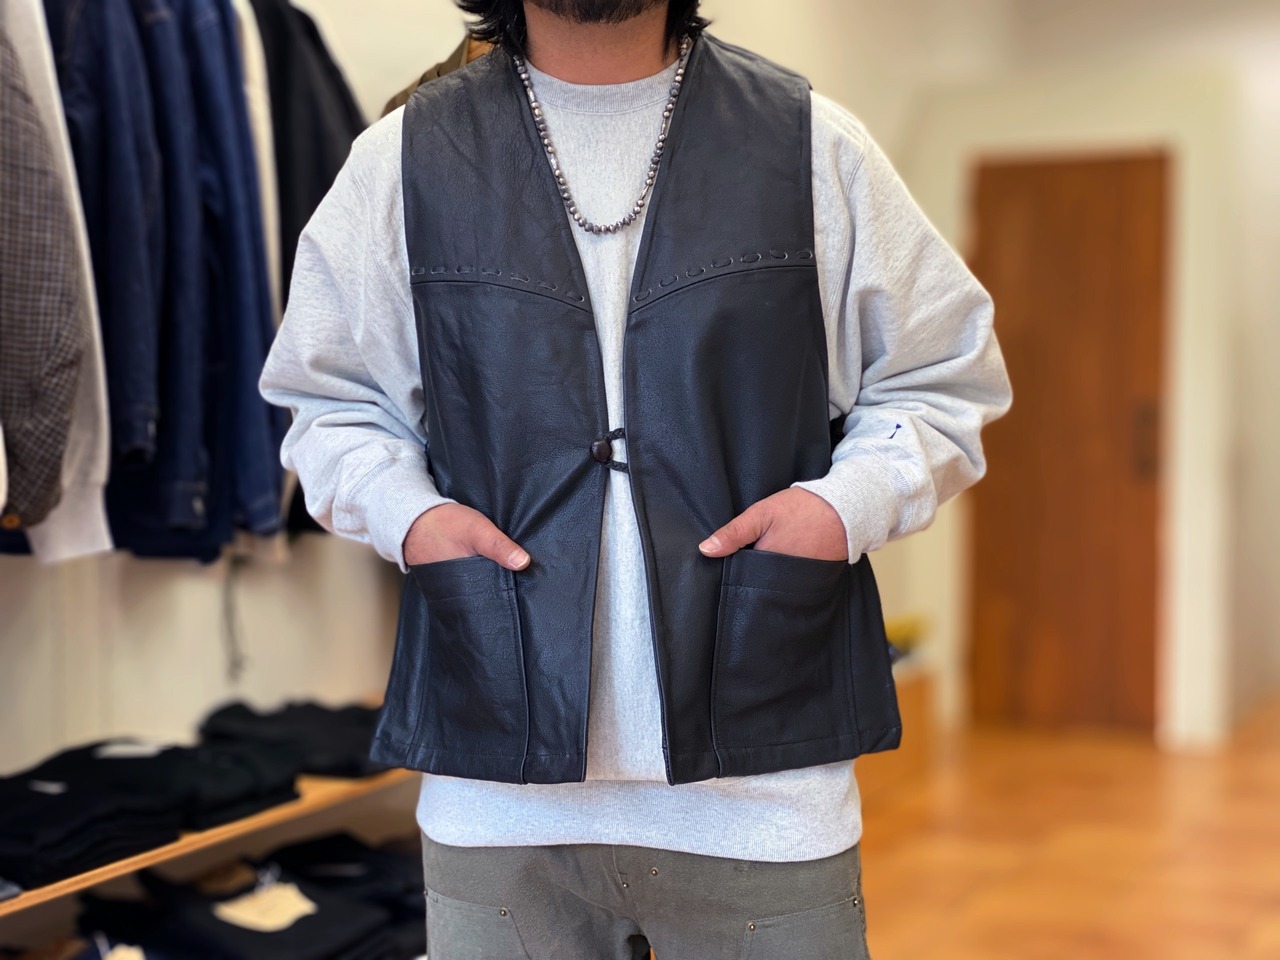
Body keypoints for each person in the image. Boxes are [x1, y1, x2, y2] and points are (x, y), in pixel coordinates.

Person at [259, 0, 1012, 955]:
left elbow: (944, 372)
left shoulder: (812, 144)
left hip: (765, 794)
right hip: (497, 797)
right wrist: (410, 519)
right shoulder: (403, 158)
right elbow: (328, 400)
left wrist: (839, 508)